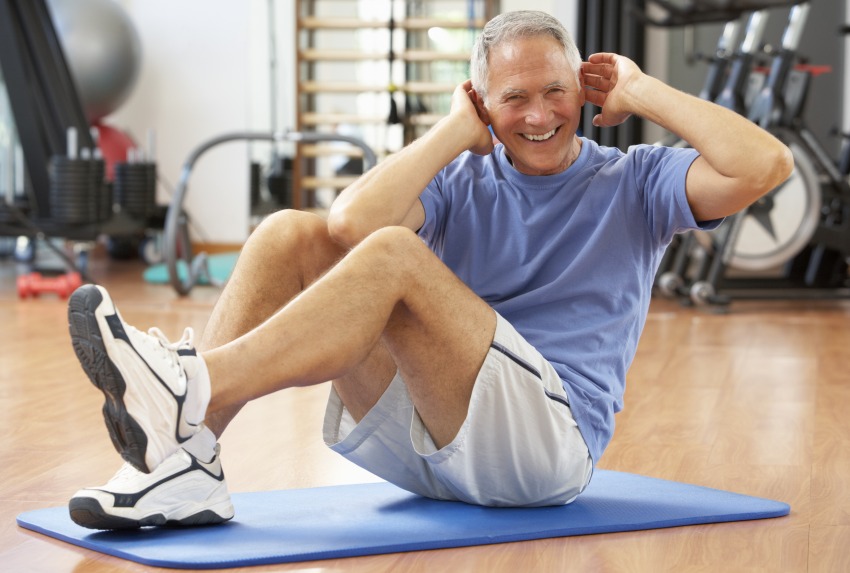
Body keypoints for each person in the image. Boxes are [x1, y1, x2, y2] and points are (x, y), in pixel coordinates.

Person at [66, 10, 793, 529]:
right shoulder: (460, 177)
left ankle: (188, 383)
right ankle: (184, 464)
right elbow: (348, 222)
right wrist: (454, 130)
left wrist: (641, 92)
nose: (539, 114)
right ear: (485, 102)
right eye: (514, 98)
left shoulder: (638, 180)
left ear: (584, 90)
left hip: (543, 450)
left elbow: (767, 165)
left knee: (394, 256)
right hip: (430, 446)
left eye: (554, 91)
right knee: (291, 233)